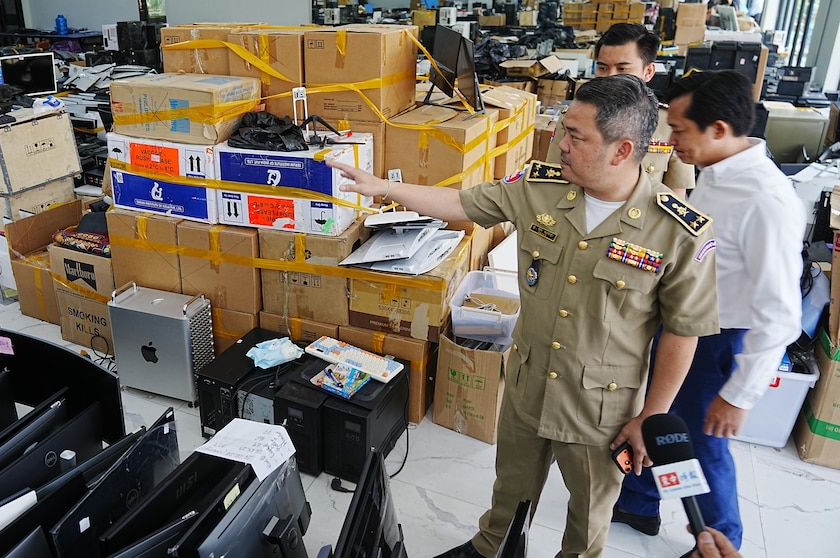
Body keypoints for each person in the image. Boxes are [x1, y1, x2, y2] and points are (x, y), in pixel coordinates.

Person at [326, 74, 720, 558]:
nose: (560, 143)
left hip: (600, 410)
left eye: (575, 136)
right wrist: (383, 186)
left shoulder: (677, 230)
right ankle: (490, 549)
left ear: (621, 151)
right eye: (563, 129)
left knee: (589, 515)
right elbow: (461, 203)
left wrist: (651, 415)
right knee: (511, 488)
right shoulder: (539, 188)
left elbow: (683, 332)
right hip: (528, 384)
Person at [613, 70, 805, 555]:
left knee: (702, 443)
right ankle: (638, 502)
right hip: (686, 323)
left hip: (720, 340)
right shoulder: (719, 171)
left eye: (679, 130)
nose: (671, 140)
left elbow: (781, 315)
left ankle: (721, 541)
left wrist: (739, 395)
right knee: (655, 415)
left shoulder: (766, 200)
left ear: (718, 129)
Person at [545, 23, 695, 197]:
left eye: (622, 69)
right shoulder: (572, 119)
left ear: (648, 71)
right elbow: (552, 180)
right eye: (602, 68)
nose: (610, 77)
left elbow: (675, 196)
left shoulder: (671, 125)